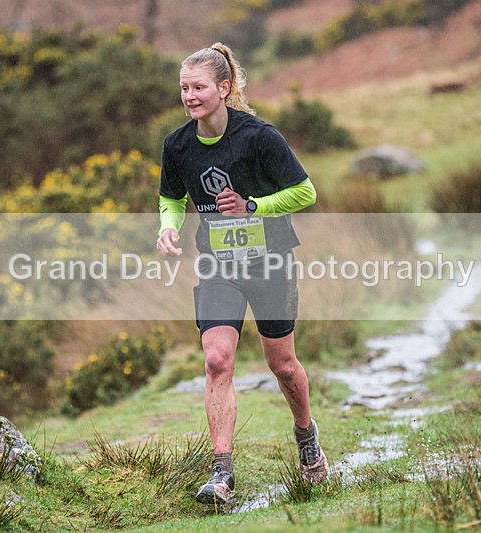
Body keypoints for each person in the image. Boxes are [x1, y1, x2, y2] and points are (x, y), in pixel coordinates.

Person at [155, 42, 327, 505]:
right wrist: (168, 228)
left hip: (270, 261)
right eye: (184, 88)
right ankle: (221, 473)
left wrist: (253, 206)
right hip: (217, 265)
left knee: (282, 365)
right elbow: (171, 197)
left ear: (224, 88)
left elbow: (305, 192)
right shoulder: (177, 145)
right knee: (216, 359)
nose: (189, 96)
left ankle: (306, 436)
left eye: (198, 87)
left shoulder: (259, 137)